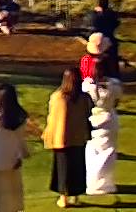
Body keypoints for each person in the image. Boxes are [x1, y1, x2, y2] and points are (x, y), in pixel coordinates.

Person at [42, 67, 91, 209]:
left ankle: (63, 198)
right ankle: (75, 196)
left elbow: (52, 118)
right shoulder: (83, 98)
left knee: (63, 169)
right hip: (78, 138)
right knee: (77, 167)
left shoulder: (59, 97)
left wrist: (48, 135)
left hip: (61, 139)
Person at [0, 84, 30, 212]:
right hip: (13, 158)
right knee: (12, 189)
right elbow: (20, 140)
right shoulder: (20, 118)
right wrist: (21, 155)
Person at [85, 76, 121, 195]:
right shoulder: (114, 84)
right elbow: (117, 101)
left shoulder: (87, 86)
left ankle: (96, 183)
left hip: (95, 120)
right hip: (106, 120)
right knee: (105, 153)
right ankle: (102, 184)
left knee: (95, 152)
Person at [89, 0, 121, 65]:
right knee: (113, 55)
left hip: (95, 39)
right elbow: (116, 23)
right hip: (108, 38)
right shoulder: (110, 14)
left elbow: (90, 23)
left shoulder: (93, 13)